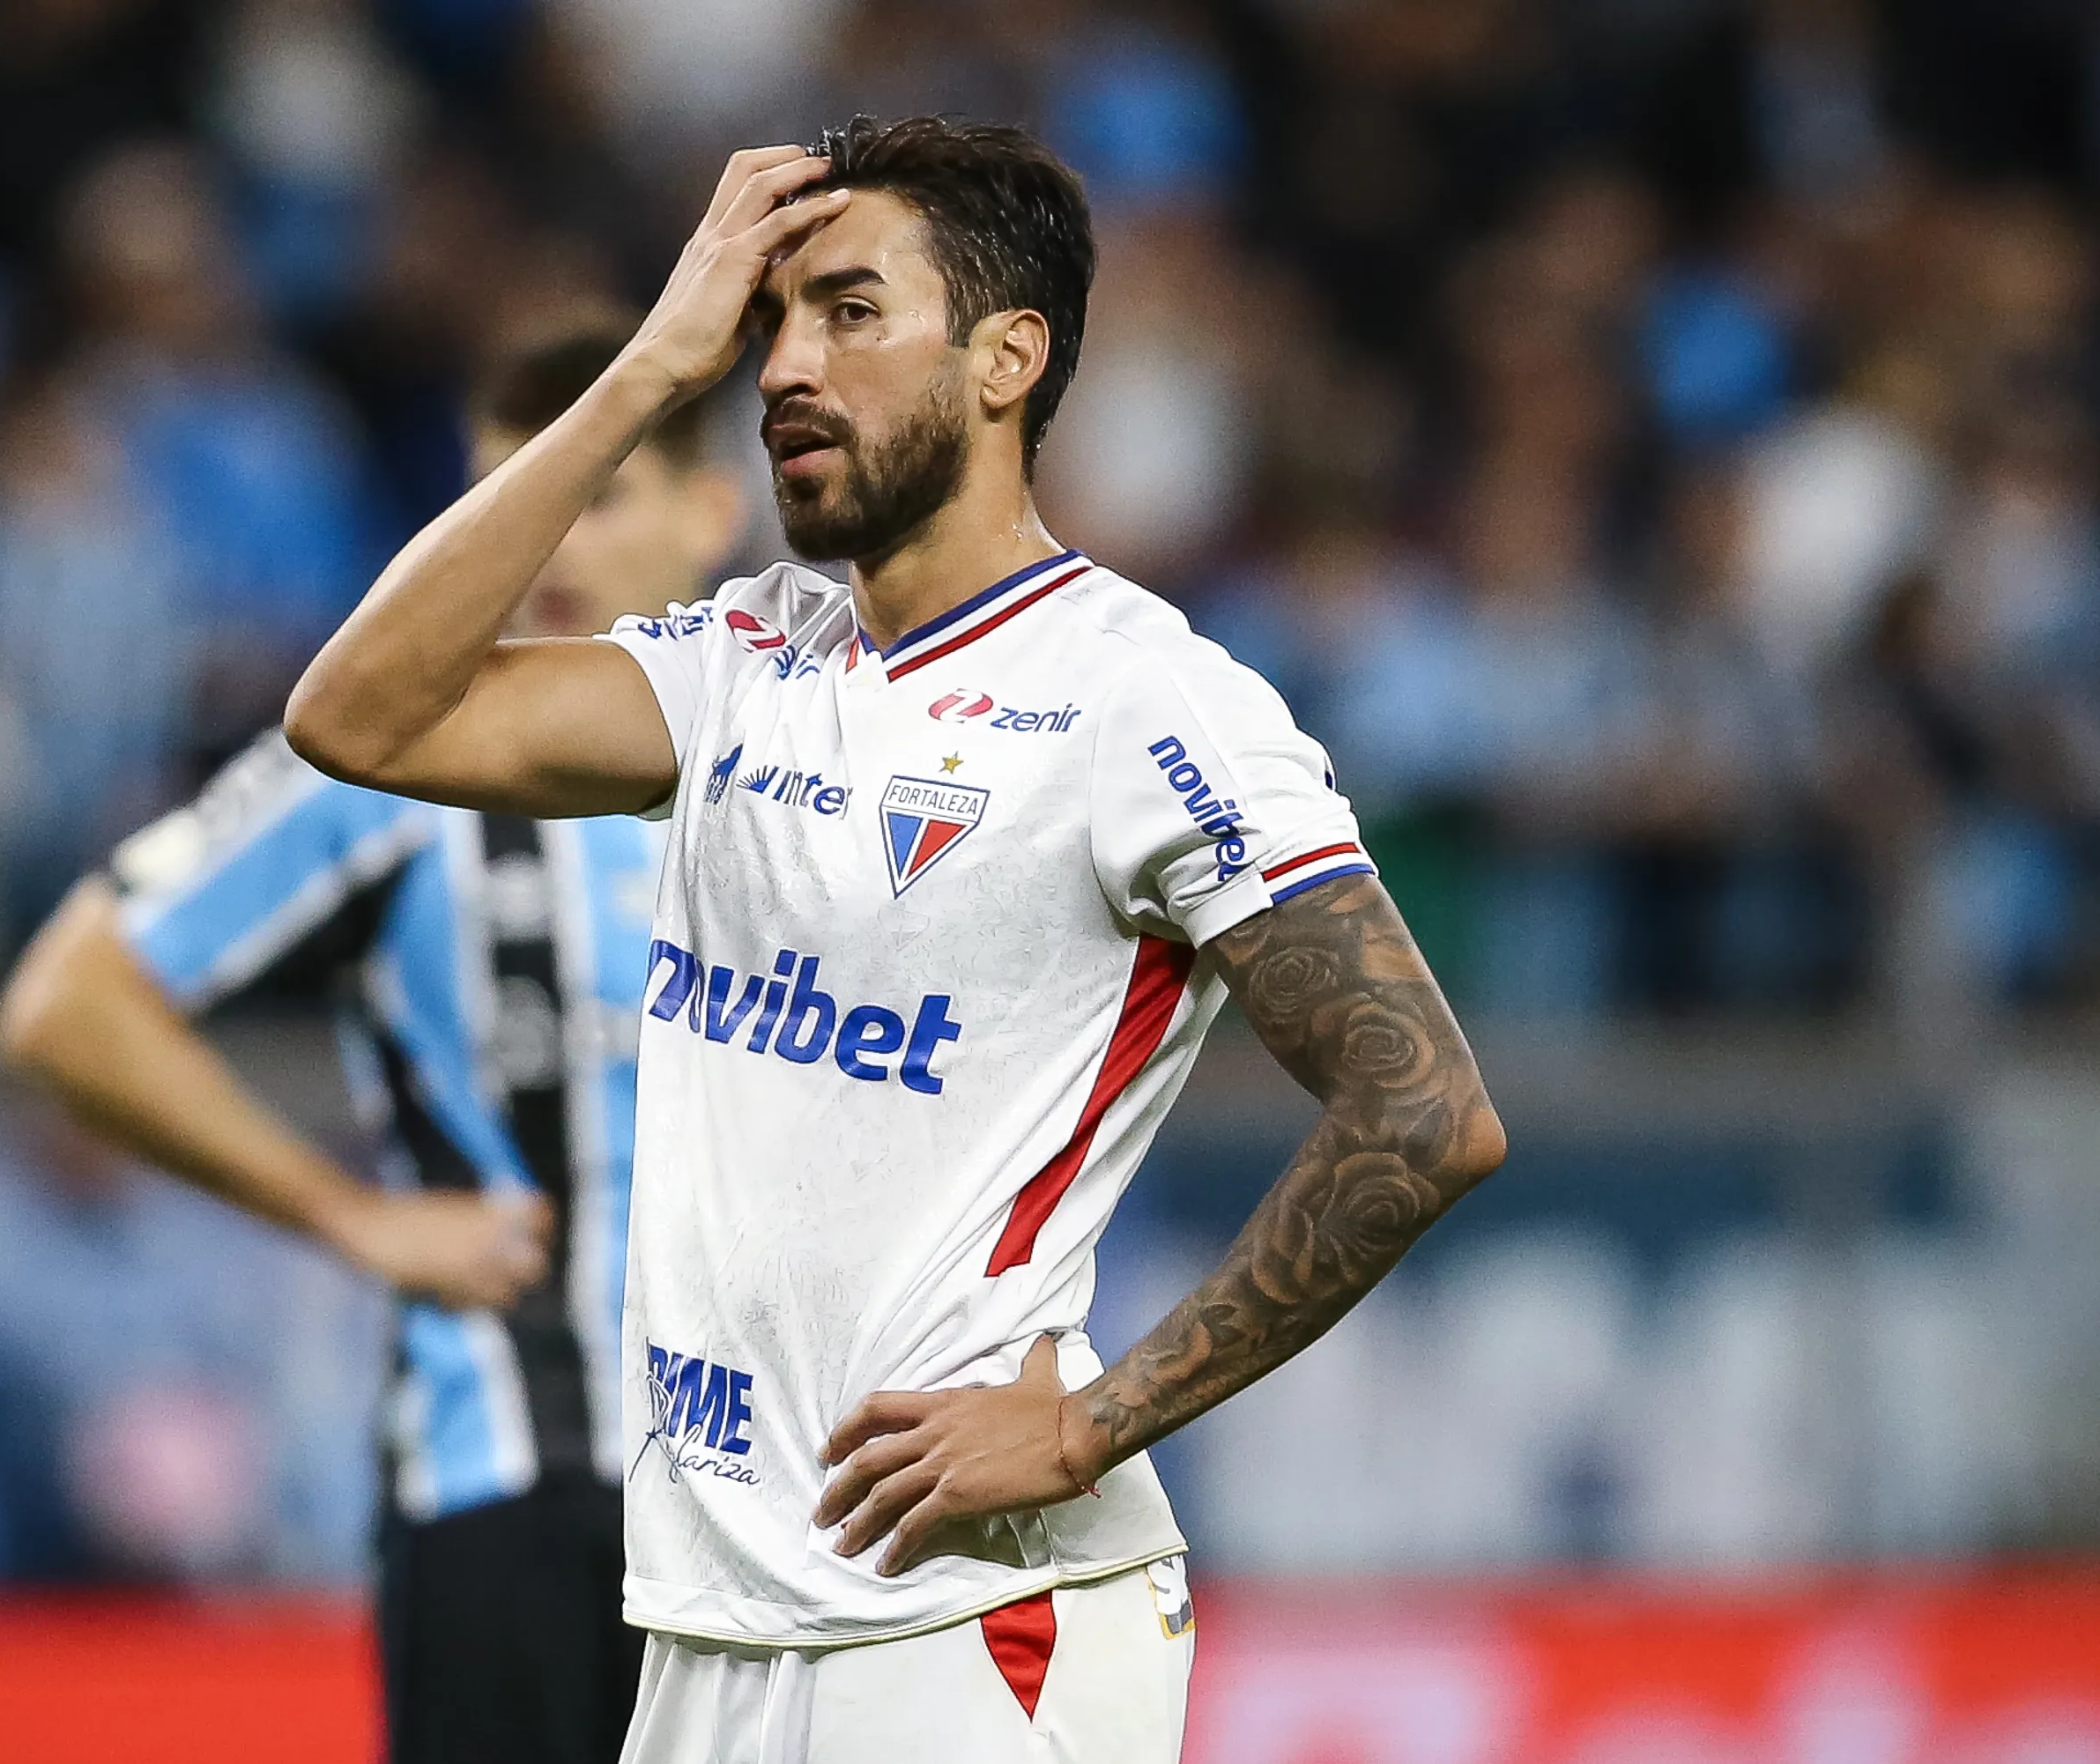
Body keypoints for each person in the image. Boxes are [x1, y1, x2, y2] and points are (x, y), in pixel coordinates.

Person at [283, 118, 1508, 1764]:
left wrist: (1087, 1424)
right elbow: (357, 715)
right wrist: (652, 364)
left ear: (1011, 358)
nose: (786, 364)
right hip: (708, 1620)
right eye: (770, 321)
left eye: (851, 313)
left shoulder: (1146, 703)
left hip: (957, 1625)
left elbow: (1426, 1109)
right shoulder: (739, 662)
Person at [0, 324, 746, 1764]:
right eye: (510, 495)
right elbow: (65, 1003)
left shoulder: (811, 749)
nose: (551, 537)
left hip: (782, 1518)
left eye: (599, 492)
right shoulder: (384, 768)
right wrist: (352, 1215)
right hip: (510, 1497)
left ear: (712, 517)